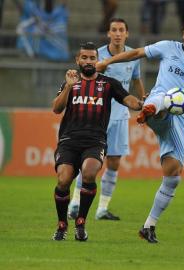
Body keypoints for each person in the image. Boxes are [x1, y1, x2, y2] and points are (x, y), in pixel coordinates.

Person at [97, 14, 184, 243]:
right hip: (159, 104)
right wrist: (107, 62)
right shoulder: (167, 47)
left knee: (173, 174)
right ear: (183, 32)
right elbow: (136, 53)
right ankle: (151, 109)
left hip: (181, 120)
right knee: (166, 99)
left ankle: (148, 226)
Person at [51, 42, 143, 241]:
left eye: (92, 58)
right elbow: (57, 108)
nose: (88, 61)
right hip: (69, 140)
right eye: (84, 57)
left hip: (95, 141)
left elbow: (129, 100)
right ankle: (61, 224)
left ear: (97, 60)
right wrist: (67, 87)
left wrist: (143, 104)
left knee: (90, 173)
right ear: (78, 60)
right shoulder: (70, 83)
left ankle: (81, 223)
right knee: (63, 180)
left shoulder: (108, 84)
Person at [67, 18, 146, 221]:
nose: (118, 33)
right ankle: (74, 204)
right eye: (114, 30)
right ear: (108, 33)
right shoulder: (97, 56)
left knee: (114, 162)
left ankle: (102, 208)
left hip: (120, 115)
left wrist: (143, 98)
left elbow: (136, 79)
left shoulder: (132, 56)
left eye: (121, 30)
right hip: (96, 114)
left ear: (127, 34)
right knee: (86, 160)